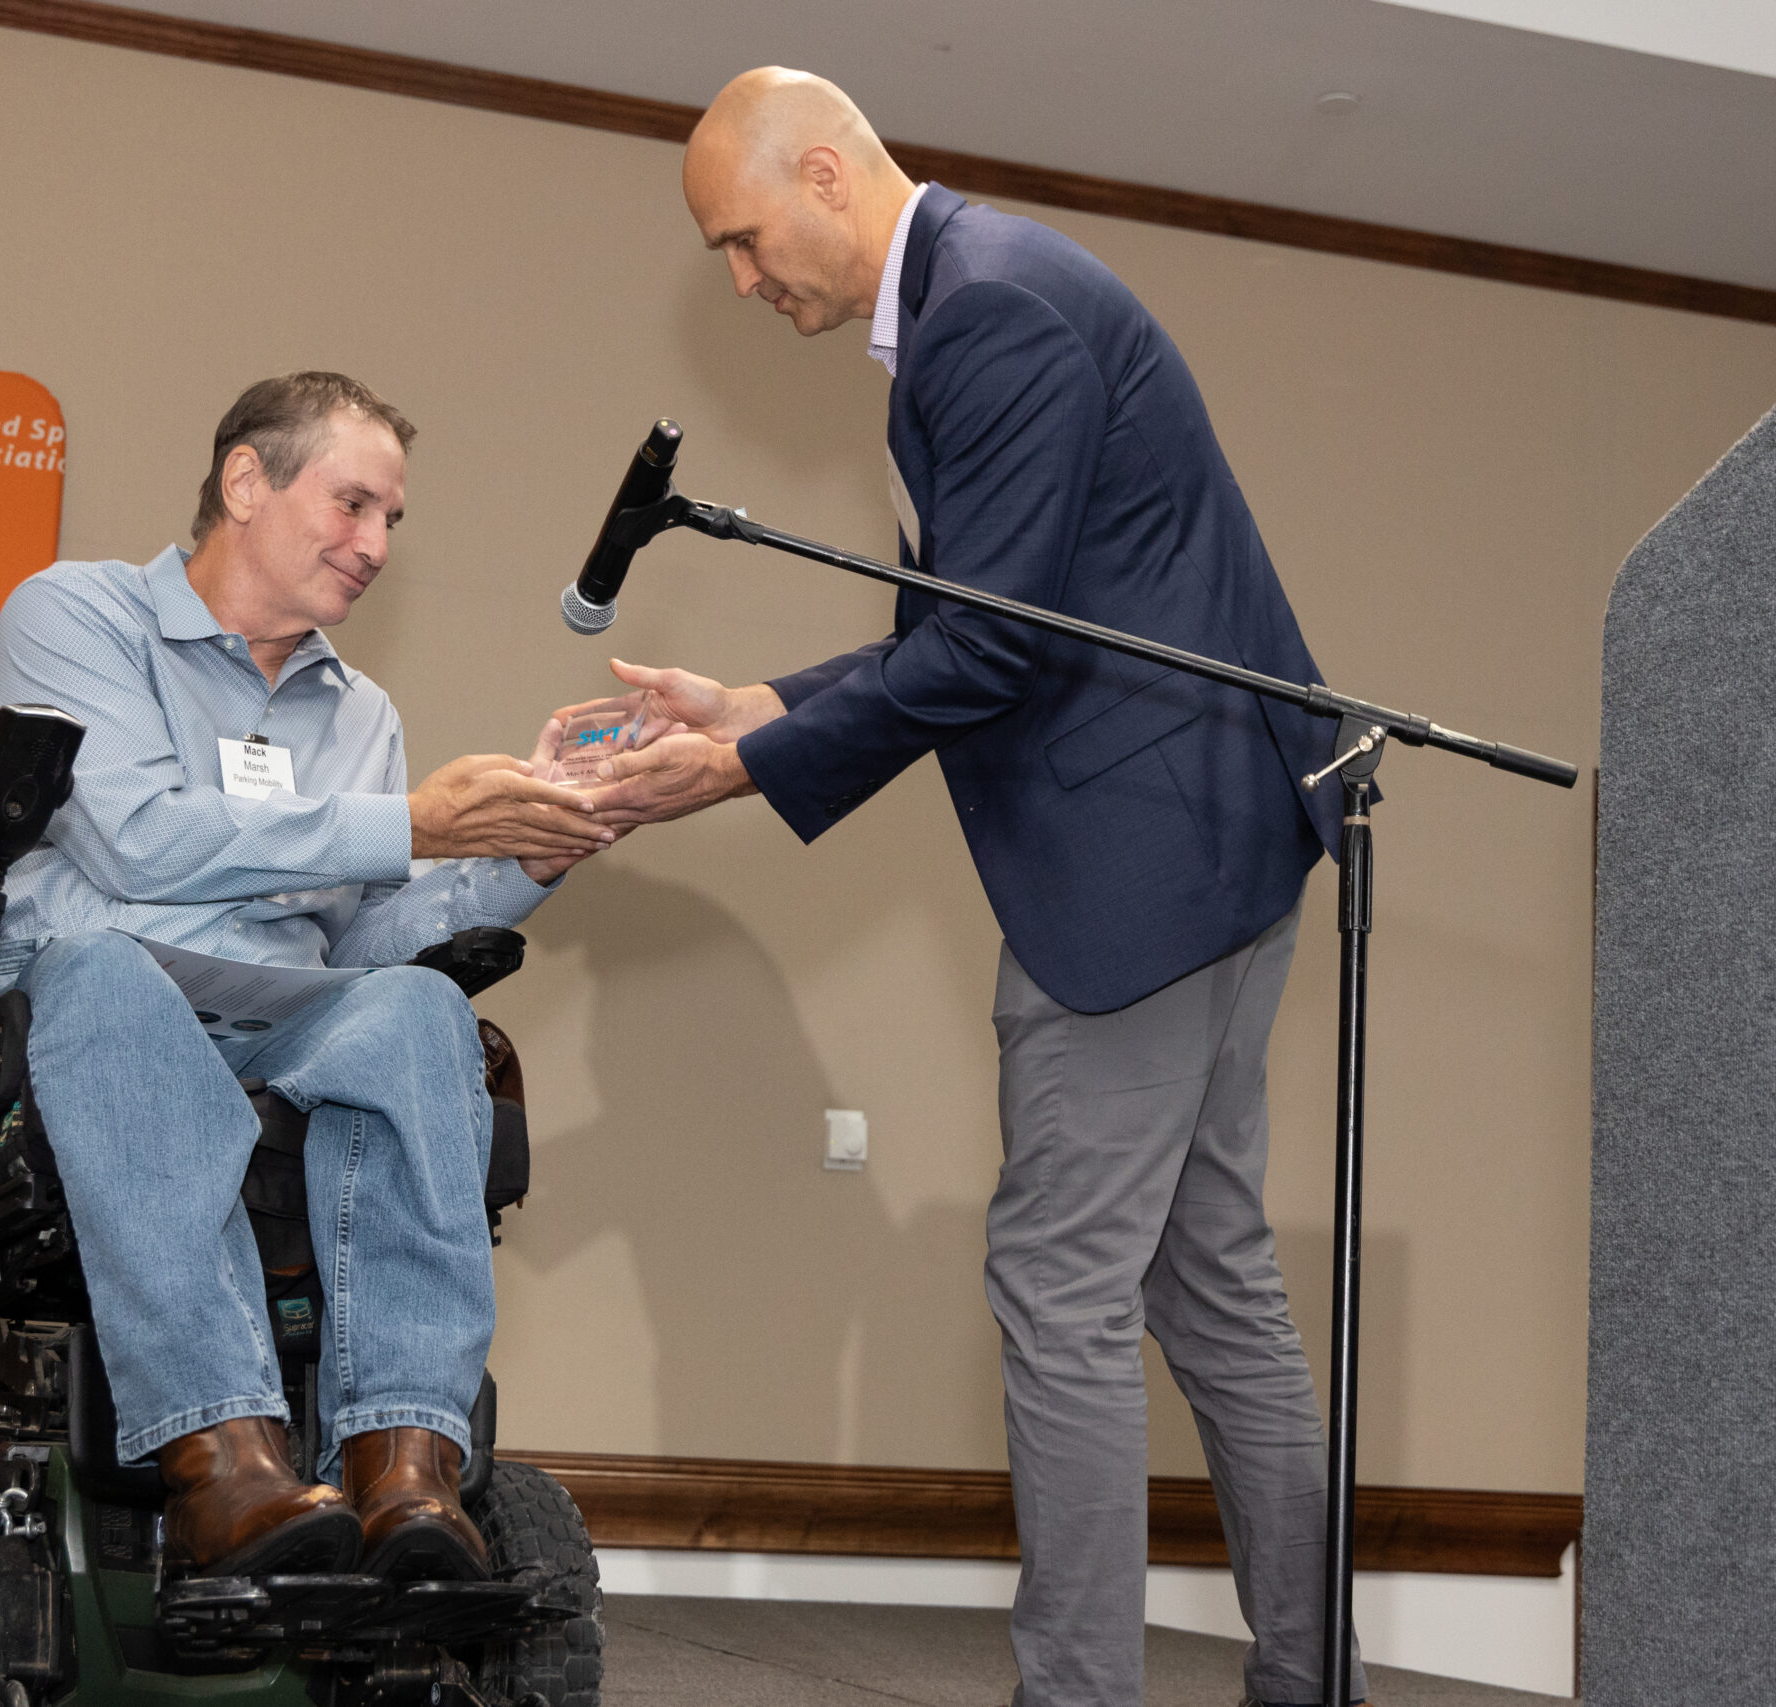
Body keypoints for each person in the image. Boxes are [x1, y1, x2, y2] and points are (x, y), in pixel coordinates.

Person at [563, 68, 1369, 1707]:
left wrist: (730, 772)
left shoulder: (985, 316)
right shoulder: (985, 294)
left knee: (1061, 1283)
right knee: (1210, 1281)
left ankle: (1077, 1689)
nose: (741, 278)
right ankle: (1308, 1675)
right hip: (1223, 843)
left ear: (823, 169)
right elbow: (984, 623)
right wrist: (756, 708)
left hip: (1137, 877)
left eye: (741, 237)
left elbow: (993, 648)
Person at [0, 371, 613, 1584]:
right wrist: (413, 824)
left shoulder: (358, 710)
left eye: (391, 519)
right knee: (113, 971)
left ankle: (406, 1468)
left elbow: (368, 947)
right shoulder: (75, 616)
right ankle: (226, 1465)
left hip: (271, 1018)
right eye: (353, 505)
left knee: (418, 1008)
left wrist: (532, 848)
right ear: (244, 481)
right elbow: (135, 840)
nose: (376, 544)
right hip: (71, 995)